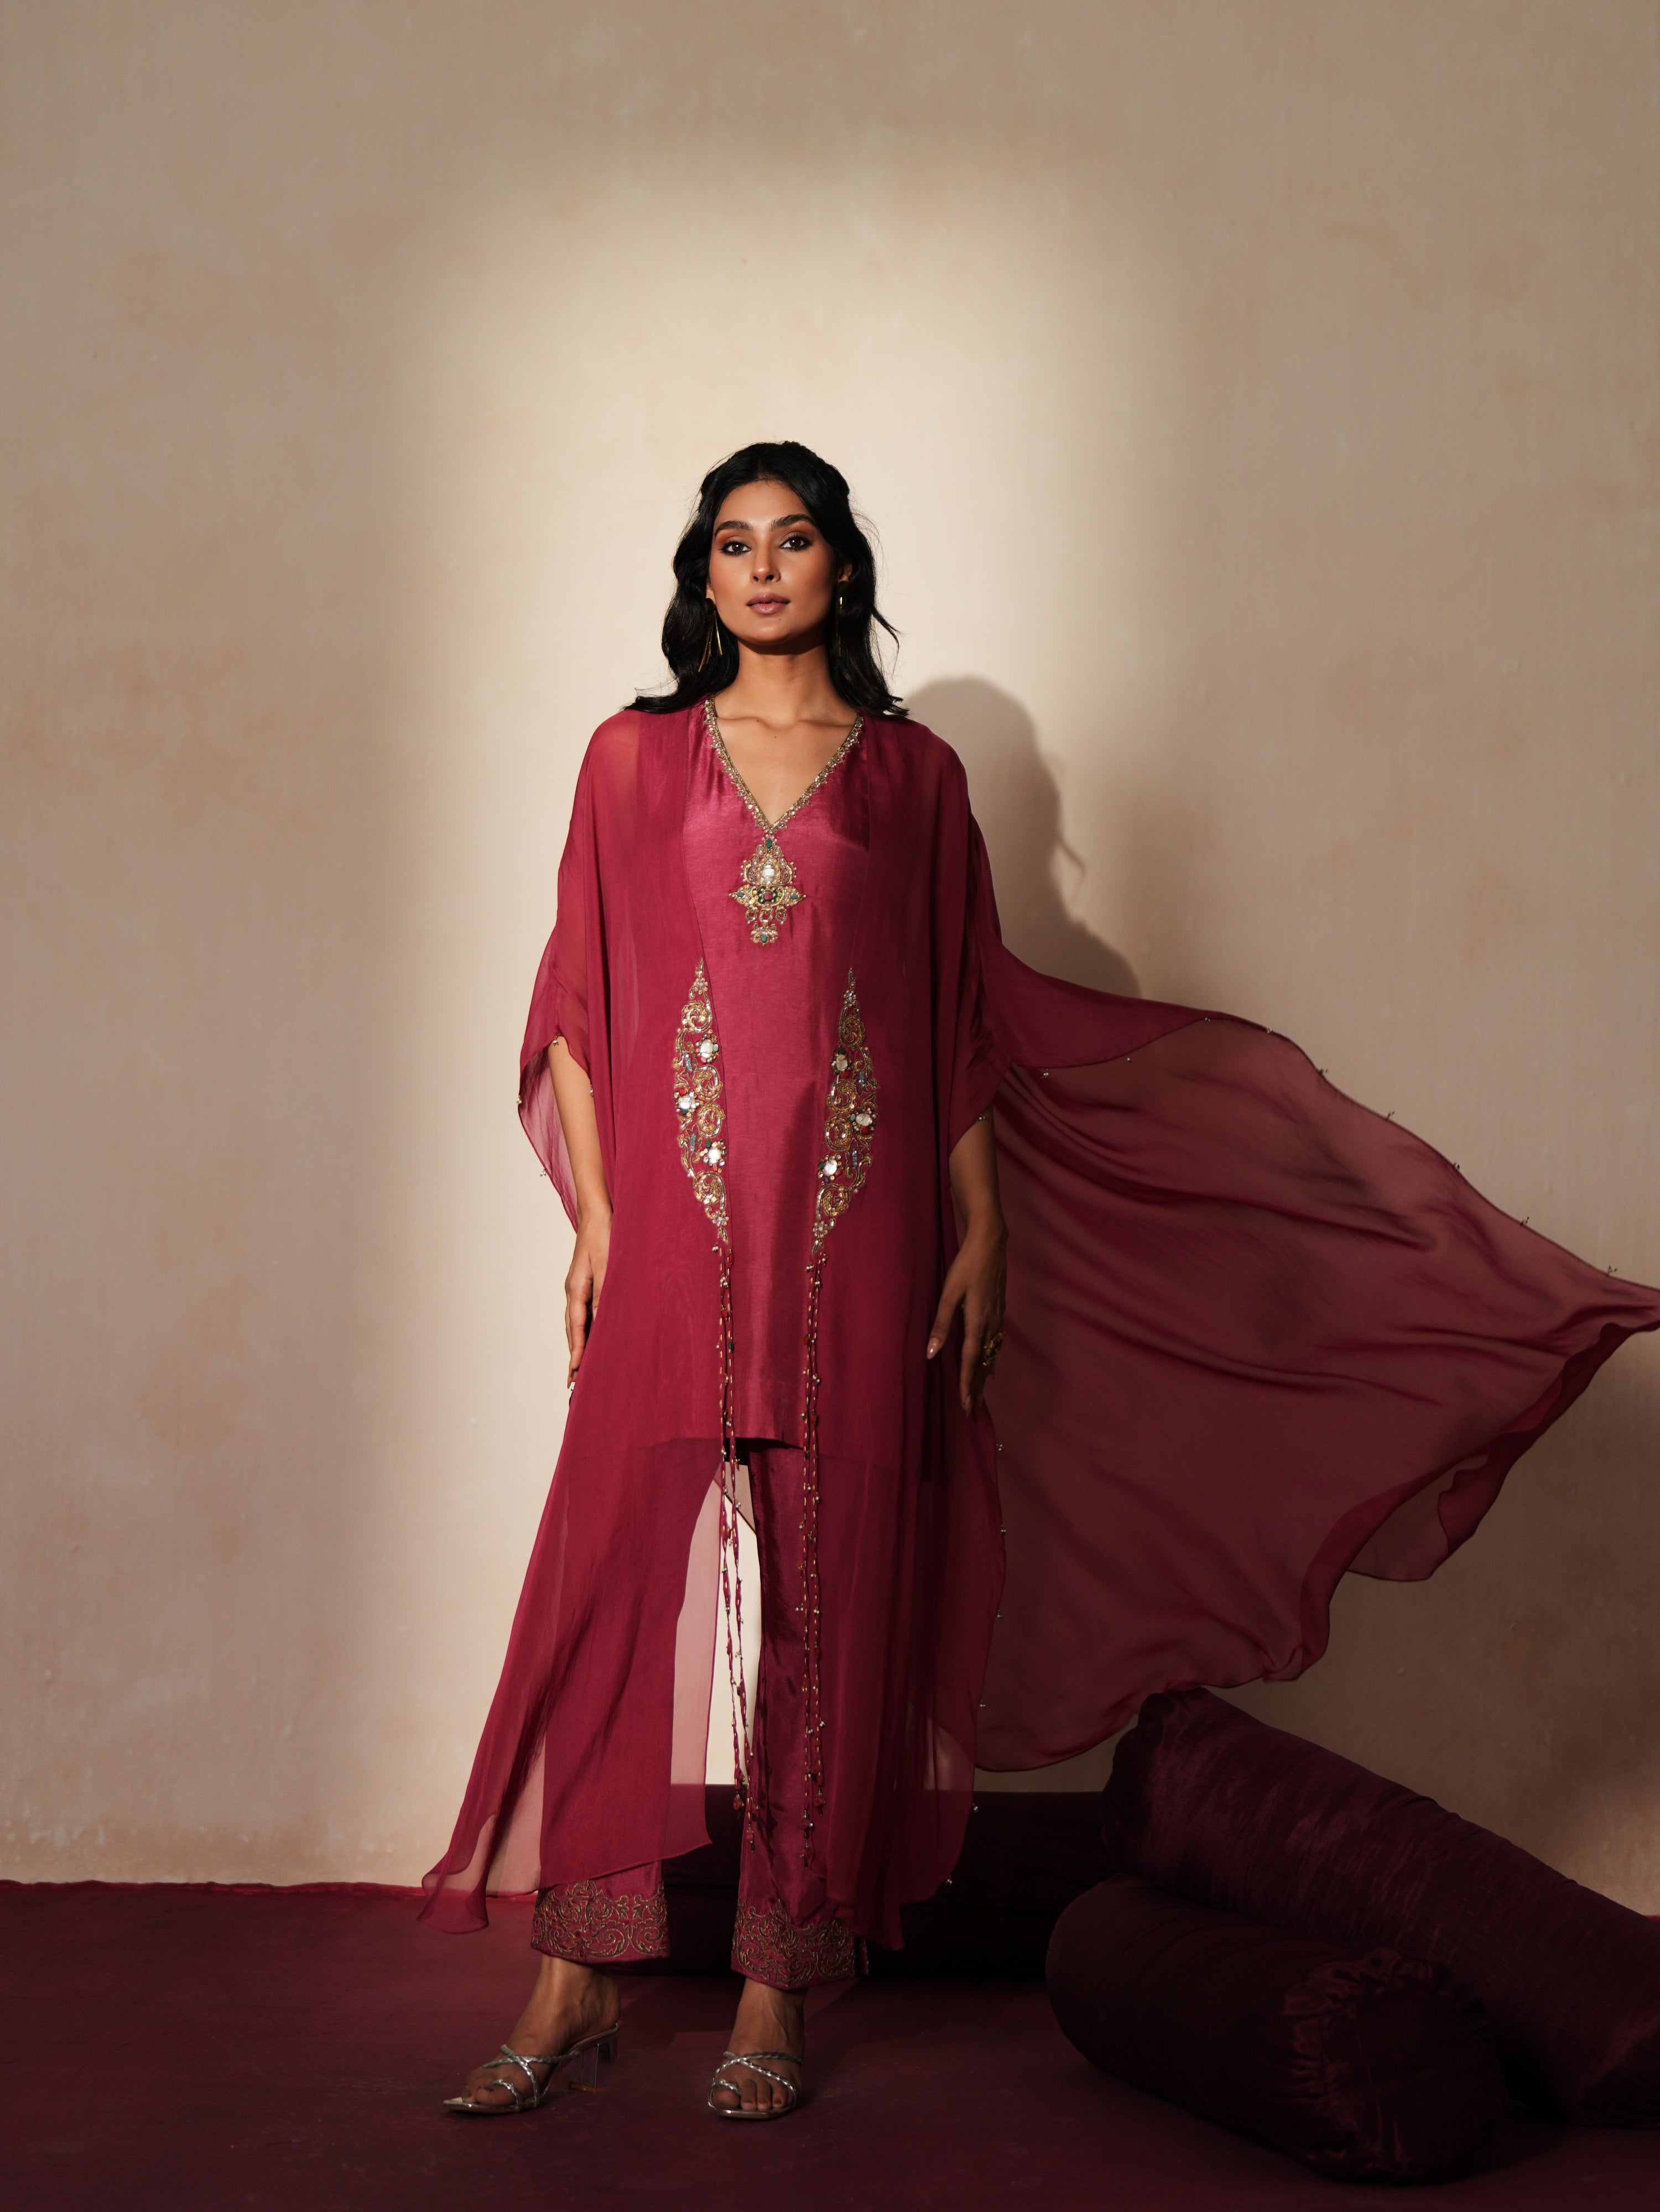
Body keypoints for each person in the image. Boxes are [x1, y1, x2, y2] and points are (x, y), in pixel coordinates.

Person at [424, 441, 1660, 2121]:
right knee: (617, 1589)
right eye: (734, 543)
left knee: (825, 1604)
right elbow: (576, 998)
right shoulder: (630, 761)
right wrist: (598, 1223)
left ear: (841, 572)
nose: (765, 566)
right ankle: (571, 1983)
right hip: (678, 1230)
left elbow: (957, 1033)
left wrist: (982, 1234)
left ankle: (778, 1992)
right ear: (700, 576)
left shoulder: (912, 780)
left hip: (863, 1238)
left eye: (795, 541)